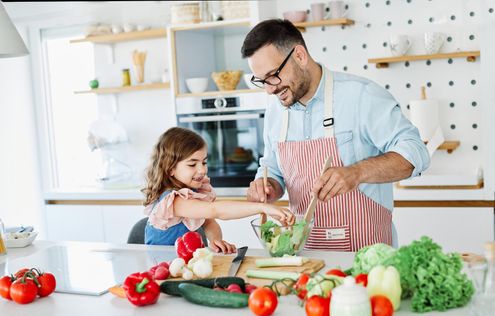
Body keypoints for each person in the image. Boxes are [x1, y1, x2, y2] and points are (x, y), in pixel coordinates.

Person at [241, 19, 430, 251]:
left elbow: (416, 153)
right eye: (261, 81)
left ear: (299, 55)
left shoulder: (362, 95)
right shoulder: (275, 112)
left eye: (273, 75)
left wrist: (357, 172)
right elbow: (273, 169)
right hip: (304, 257)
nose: (270, 89)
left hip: (366, 259)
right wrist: (267, 184)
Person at [142, 127, 295, 253]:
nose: (202, 170)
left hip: (183, 265)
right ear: (170, 169)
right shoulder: (174, 201)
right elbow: (215, 210)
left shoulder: (194, 192)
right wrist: (263, 207)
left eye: (204, 162)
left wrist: (215, 240)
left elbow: (209, 222)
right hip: (162, 268)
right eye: (192, 164)